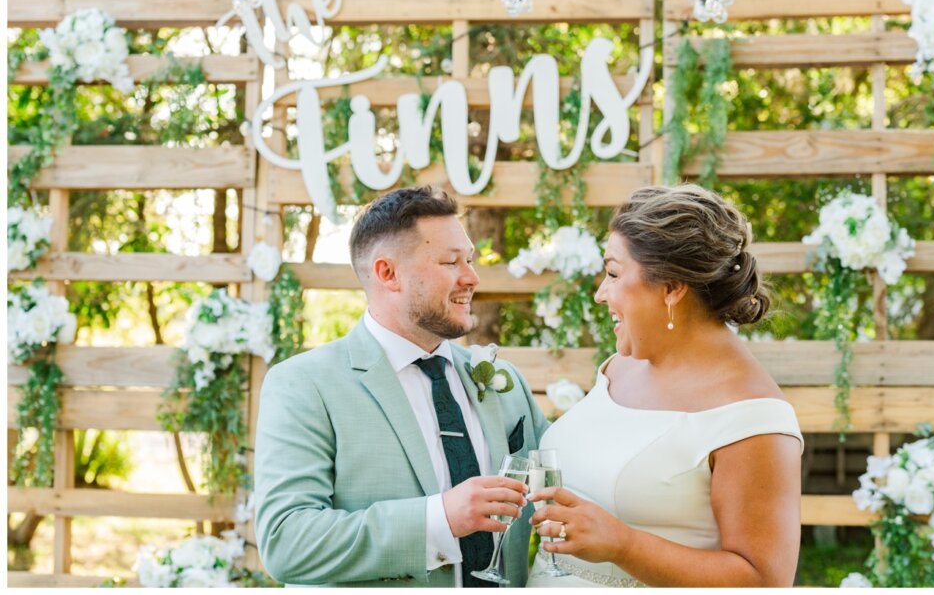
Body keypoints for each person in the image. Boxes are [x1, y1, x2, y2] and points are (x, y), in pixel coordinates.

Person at [255, 186, 549, 587]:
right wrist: (439, 519)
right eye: (450, 262)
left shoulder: (505, 382)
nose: (471, 277)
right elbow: (287, 542)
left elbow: (574, 478)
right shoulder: (304, 385)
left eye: (470, 260)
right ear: (387, 273)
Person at [526, 184, 804, 587]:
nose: (601, 294)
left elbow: (763, 580)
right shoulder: (619, 366)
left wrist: (623, 545)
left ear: (672, 287)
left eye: (614, 273)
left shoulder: (753, 418)